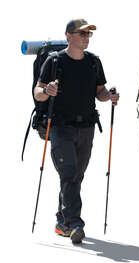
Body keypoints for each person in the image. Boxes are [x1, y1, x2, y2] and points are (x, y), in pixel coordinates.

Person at [34, 19, 119, 244]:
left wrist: (108, 97)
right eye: (82, 34)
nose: (86, 38)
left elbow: (99, 91)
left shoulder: (93, 62)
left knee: (75, 177)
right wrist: (47, 90)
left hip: (87, 127)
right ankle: (75, 224)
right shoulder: (54, 61)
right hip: (61, 127)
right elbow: (37, 92)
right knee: (69, 173)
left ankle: (61, 220)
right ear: (69, 36)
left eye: (88, 34)